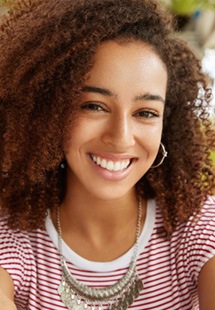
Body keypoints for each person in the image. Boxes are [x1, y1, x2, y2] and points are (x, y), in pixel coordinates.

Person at [0, 0, 215, 309]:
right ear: (48, 110)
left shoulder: (198, 226)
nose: (121, 138)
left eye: (145, 112)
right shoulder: (12, 238)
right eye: (94, 106)